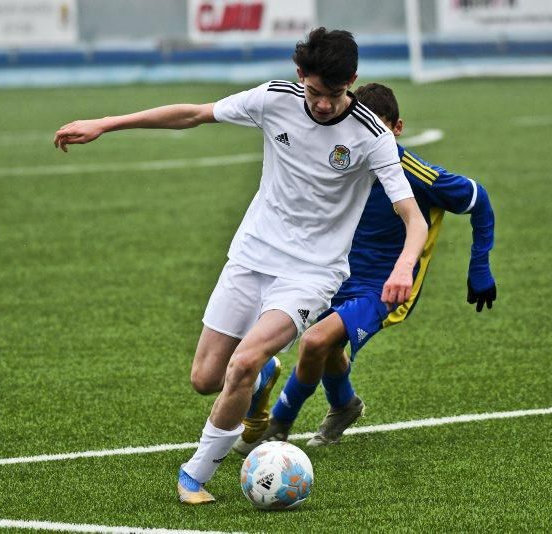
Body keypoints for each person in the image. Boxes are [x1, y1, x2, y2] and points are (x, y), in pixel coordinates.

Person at [53, 29, 428, 505]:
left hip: (311, 273)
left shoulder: (372, 135)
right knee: (205, 379)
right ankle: (261, 373)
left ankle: (195, 474)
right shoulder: (274, 99)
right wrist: (106, 123)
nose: (324, 105)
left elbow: (412, 218)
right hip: (252, 256)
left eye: (334, 95)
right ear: (300, 77)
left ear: (352, 82)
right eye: (314, 92)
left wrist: (403, 268)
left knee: (242, 363)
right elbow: (194, 113)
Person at [233, 82, 495, 454]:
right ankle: (344, 405)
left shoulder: (411, 173)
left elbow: (478, 198)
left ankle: (277, 425)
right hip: (331, 274)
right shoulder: (340, 160)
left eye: (380, 128)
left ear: (397, 129)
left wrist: (480, 267)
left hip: (385, 286)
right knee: (326, 350)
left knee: (316, 341)